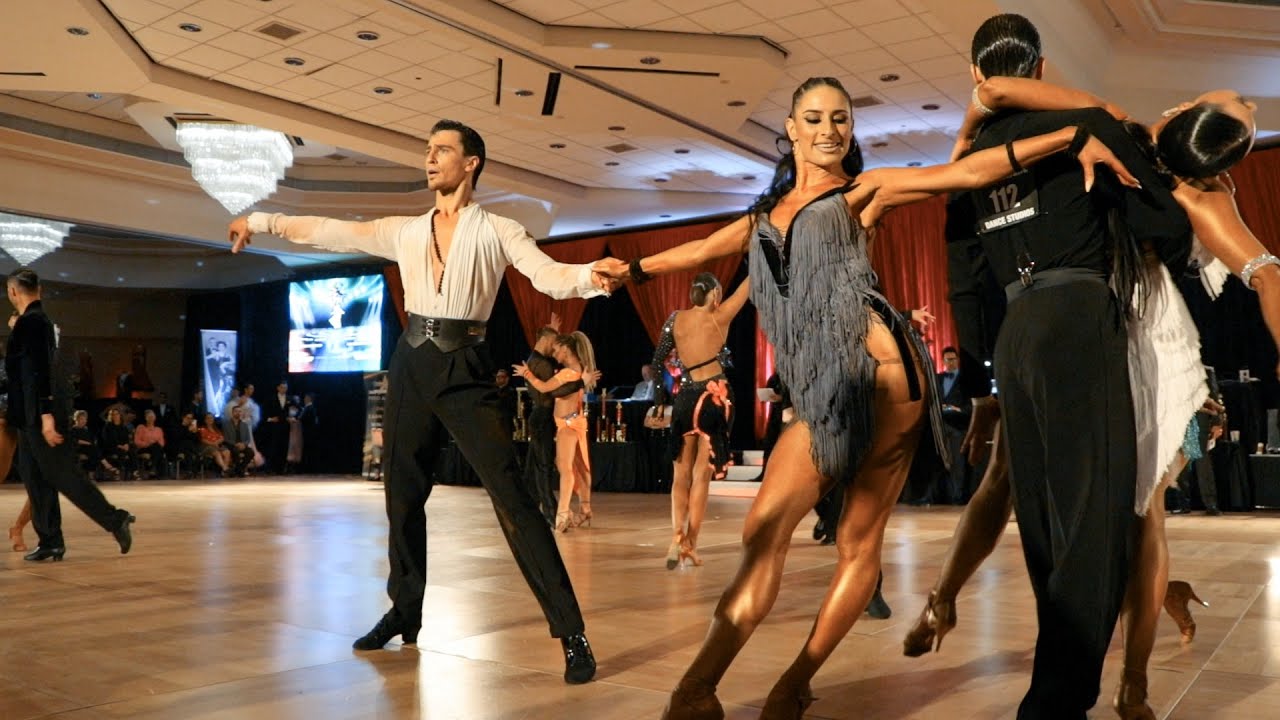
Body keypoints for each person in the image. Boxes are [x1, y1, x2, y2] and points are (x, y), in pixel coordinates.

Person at [594, 75, 1138, 717]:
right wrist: (630, 270)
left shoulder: (865, 191)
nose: (829, 130)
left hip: (885, 377)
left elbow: (964, 175)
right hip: (820, 390)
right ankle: (698, 688)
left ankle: (789, 683)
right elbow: (702, 248)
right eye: (814, 118)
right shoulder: (761, 218)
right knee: (762, 530)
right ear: (791, 129)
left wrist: (1072, 136)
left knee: (858, 540)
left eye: (841, 119)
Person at [907, 14, 1276, 720]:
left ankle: (1069, 675)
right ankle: (1075, 695)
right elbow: (1162, 229)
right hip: (1089, 323)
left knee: (1047, 514)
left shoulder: (984, 152)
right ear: (1042, 68)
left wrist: (984, 375)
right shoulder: (1092, 129)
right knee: (1106, 518)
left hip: (1037, 335)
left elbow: (963, 271)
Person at [227, 118, 615, 683]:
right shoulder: (406, 231)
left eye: (442, 150)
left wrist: (591, 277)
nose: (429, 158)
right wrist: (262, 220)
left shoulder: (497, 229)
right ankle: (405, 611)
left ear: (471, 163)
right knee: (402, 497)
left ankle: (571, 632)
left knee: (514, 500)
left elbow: (548, 275)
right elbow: (330, 231)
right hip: (410, 364)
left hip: (466, 368)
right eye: (428, 150)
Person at [5, 268, 134, 562]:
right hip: (28, 415)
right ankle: (50, 540)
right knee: (35, 479)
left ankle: (116, 520)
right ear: (40, 290)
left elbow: (42, 372)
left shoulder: (34, 322)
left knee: (64, 475)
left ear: (12, 292)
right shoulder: (31, 323)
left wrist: (46, 416)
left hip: (40, 415)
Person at [649, 272, 750, 569]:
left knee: (680, 475)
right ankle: (691, 543)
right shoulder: (720, 316)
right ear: (715, 294)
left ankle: (676, 537)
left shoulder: (675, 319)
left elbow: (657, 363)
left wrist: (659, 402)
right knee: (701, 476)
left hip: (685, 400)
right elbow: (749, 286)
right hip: (714, 399)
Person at [515, 331, 599, 532]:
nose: (554, 354)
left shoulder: (568, 373)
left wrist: (526, 373)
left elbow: (545, 389)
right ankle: (585, 508)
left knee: (565, 469)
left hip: (567, 425)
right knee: (580, 467)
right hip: (575, 422)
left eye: (556, 349)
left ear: (565, 349)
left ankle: (561, 514)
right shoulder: (579, 369)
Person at [523, 321, 564, 527]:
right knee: (544, 466)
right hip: (542, 416)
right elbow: (550, 391)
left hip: (539, 415)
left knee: (534, 467)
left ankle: (528, 509)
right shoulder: (543, 364)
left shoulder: (535, 360)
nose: (555, 348)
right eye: (554, 342)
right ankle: (550, 513)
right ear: (546, 340)